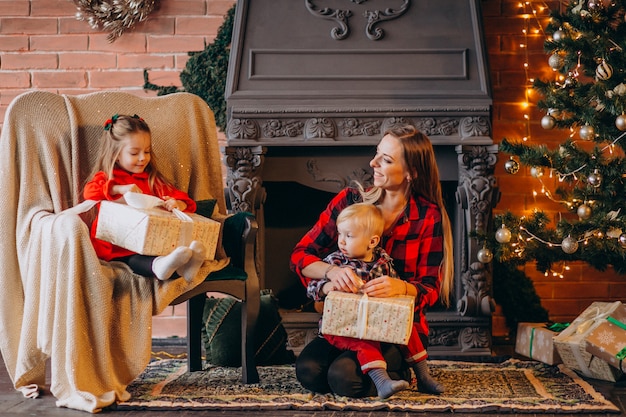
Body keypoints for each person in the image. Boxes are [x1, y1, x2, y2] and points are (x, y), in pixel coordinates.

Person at [291, 124, 454, 398]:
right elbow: (300, 256)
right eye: (377, 154)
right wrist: (332, 273)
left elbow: (430, 287)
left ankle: (401, 373)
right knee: (309, 372)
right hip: (346, 322)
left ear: (411, 173)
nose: (373, 163)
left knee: (343, 378)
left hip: (395, 330)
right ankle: (381, 373)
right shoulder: (350, 202)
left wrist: (400, 287)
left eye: (386, 160)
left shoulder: (428, 216)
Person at [84, 113, 206, 282]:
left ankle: (187, 267)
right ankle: (159, 267)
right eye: (134, 153)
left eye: (147, 151)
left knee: (167, 248)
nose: (143, 158)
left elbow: (180, 197)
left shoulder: (151, 180)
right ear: (115, 155)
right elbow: (89, 193)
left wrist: (177, 203)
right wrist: (118, 188)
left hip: (150, 242)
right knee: (135, 259)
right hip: (117, 245)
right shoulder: (107, 177)